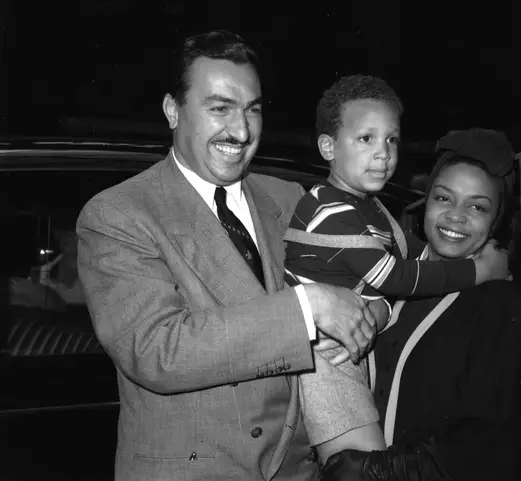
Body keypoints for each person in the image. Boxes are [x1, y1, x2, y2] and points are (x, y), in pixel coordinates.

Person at [76, 30, 388, 481]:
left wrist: (369, 315)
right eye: (220, 108)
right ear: (172, 111)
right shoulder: (119, 214)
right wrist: (309, 308)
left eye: (253, 110)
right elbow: (157, 350)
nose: (241, 132)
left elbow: (371, 289)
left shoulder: (293, 199)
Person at [320, 128, 521, 481]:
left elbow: (491, 446)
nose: (456, 216)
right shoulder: (392, 283)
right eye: (444, 198)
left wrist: (377, 472)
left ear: (495, 219)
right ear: (427, 202)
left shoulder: (503, 309)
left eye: (476, 206)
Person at [284, 77, 509, 463]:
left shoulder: (372, 210)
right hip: (326, 365)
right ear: (328, 147)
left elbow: (411, 258)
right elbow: (395, 276)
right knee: (363, 469)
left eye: (391, 140)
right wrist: (478, 271)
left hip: (349, 355)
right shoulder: (327, 209)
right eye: (366, 139)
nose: (384, 153)